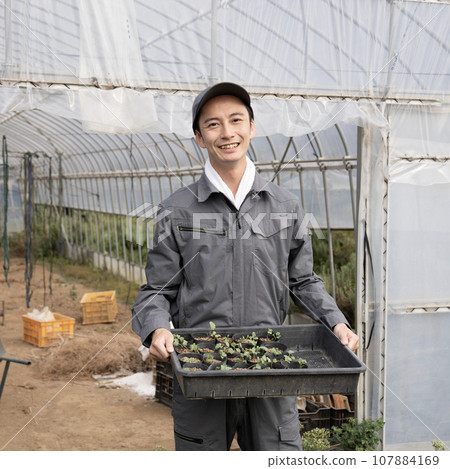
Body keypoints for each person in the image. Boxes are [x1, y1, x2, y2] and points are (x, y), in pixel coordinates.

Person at [132, 82, 359, 451]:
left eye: (236, 120)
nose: (227, 132)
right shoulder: (177, 210)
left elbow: (302, 280)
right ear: (200, 138)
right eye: (213, 124)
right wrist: (157, 328)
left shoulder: (285, 205)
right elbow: (157, 290)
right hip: (201, 366)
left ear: (252, 127)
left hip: (270, 367)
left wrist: (336, 321)